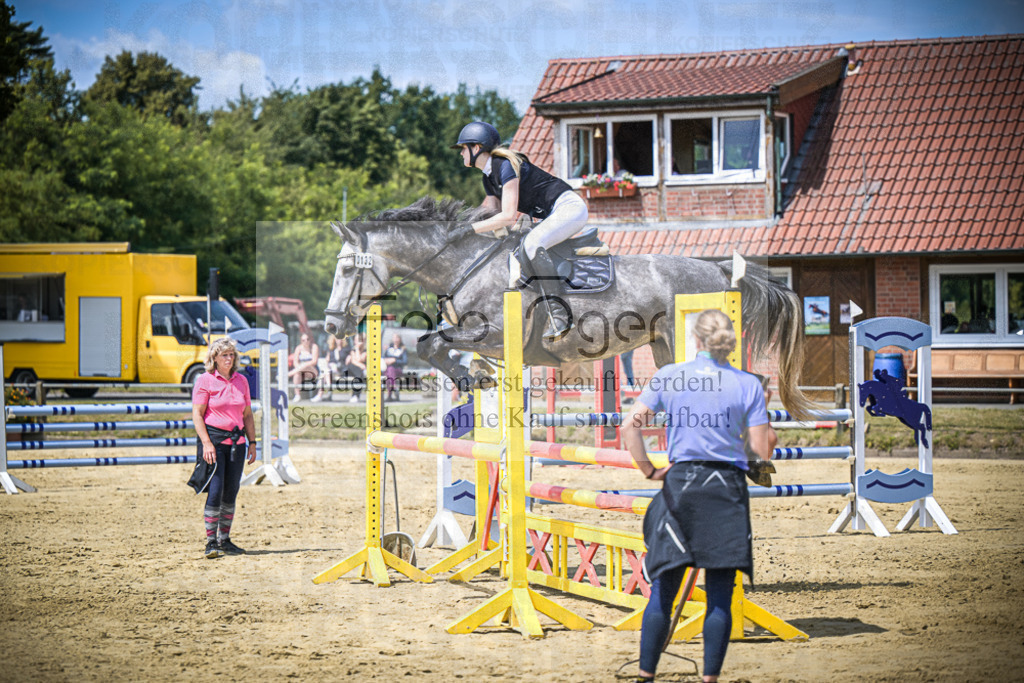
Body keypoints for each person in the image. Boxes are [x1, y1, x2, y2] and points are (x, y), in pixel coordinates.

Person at [621, 309, 777, 683]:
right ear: (730, 341)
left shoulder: (670, 375)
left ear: (695, 340)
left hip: (682, 484)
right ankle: (709, 679)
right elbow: (763, 449)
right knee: (720, 592)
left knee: (664, 588)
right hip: (725, 488)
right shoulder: (746, 384)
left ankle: (646, 674)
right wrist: (763, 409)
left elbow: (629, 425)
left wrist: (648, 469)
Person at [452, 120, 591, 340]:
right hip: (555, 213)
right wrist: (458, 226)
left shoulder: (505, 165)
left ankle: (560, 315)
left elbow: (507, 216)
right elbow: (488, 213)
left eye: (462, 148)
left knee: (532, 245)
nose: (461, 154)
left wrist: (470, 230)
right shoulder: (489, 177)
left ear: (476, 148)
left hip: (569, 208)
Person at [192, 338, 258, 559]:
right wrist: (206, 443)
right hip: (215, 442)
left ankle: (225, 540)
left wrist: (253, 442)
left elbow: (247, 415)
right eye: (224, 355)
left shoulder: (242, 381)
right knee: (216, 490)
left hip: (237, 443)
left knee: (231, 492)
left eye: (231, 355)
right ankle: (211, 542)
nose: (229, 359)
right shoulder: (205, 380)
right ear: (214, 358)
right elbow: (197, 415)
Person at [316, 335, 350, 401]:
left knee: (325, 373)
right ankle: (327, 391)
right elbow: (327, 360)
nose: (339, 341)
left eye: (340, 339)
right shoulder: (331, 350)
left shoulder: (346, 349)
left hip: (340, 370)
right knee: (326, 371)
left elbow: (347, 360)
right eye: (337, 339)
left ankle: (321, 394)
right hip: (331, 370)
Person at [289, 332, 319, 402]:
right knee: (297, 374)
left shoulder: (314, 347)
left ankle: (288, 374)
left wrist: (303, 365)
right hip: (301, 371)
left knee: (304, 365)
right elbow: (295, 362)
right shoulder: (298, 348)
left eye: (307, 339)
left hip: (313, 371)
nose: (306, 341)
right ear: (301, 341)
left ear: (310, 340)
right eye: (303, 340)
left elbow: (314, 361)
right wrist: (300, 367)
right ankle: (297, 395)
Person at [383, 333, 408, 402]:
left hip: (398, 369)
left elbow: (404, 361)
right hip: (388, 369)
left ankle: (390, 394)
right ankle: (394, 390)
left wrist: (394, 360)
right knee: (389, 372)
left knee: (390, 371)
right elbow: (383, 357)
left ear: (400, 339)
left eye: (397, 338)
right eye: (394, 338)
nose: (395, 339)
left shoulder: (402, 349)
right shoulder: (389, 348)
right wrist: (386, 359)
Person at [345, 336, 367, 403]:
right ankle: (356, 395)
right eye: (357, 340)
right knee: (358, 371)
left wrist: (357, 349)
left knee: (358, 373)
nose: (358, 342)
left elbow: (360, 359)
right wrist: (361, 365)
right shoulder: (352, 350)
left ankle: (355, 395)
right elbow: (354, 361)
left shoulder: (366, 351)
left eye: (360, 340)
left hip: (358, 371)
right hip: (352, 369)